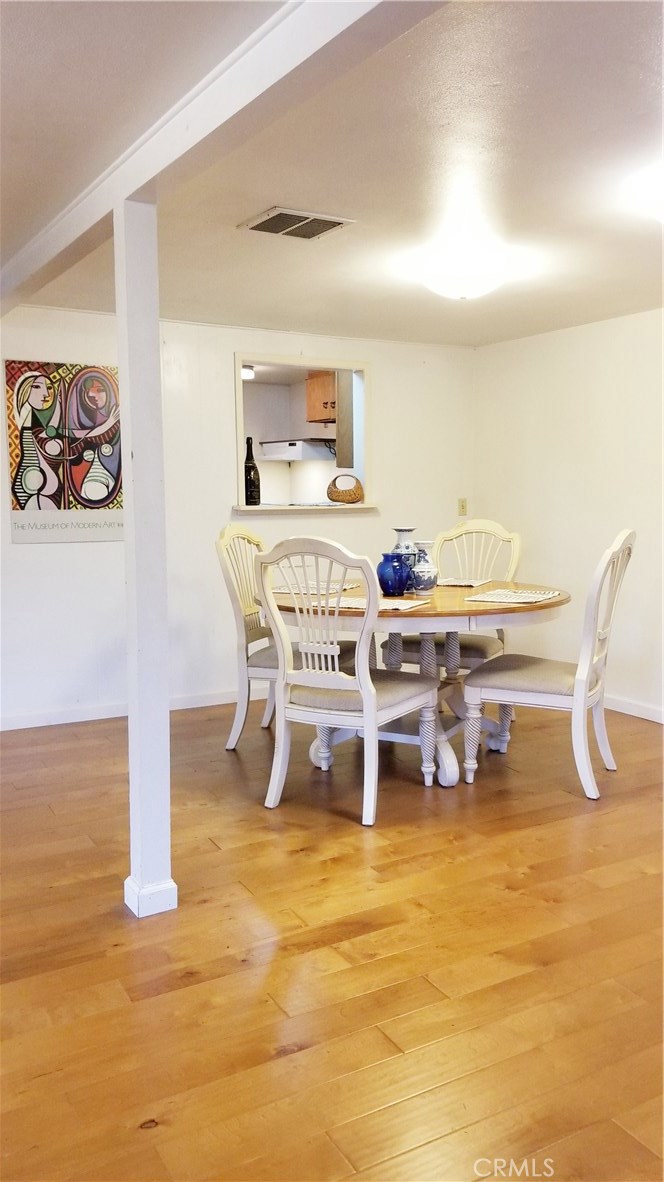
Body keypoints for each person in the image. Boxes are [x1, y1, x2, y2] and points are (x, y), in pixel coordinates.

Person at [11, 371, 63, 509]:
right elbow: (50, 432)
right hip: (32, 485)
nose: (46, 394)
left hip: (41, 483)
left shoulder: (37, 416)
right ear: (26, 389)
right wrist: (58, 406)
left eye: (49, 388)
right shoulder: (28, 415)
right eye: (37, 387)